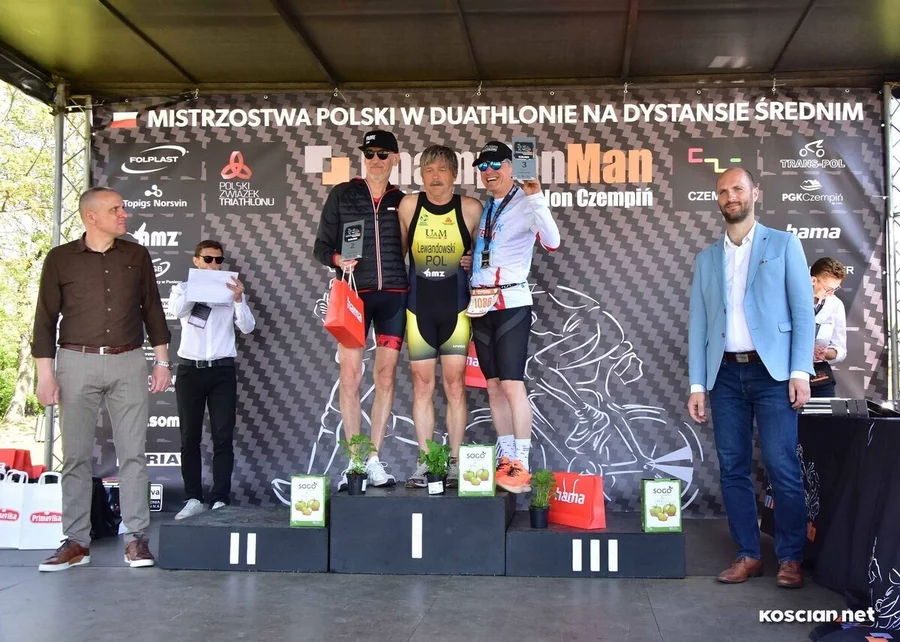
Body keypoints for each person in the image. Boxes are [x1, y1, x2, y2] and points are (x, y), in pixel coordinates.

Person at [32, 186, 172, 571]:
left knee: (133, 454)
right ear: (90, 216)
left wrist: (162, 361)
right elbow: (44, 319)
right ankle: (76, 541)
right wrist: (45, 374)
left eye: (123, 208)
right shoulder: (60, 259)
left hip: (129, 360)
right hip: (74, 361)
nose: (124, 214)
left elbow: (153, 309)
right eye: (115, 209)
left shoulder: (136, 255)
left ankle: (136, 539)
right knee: (75, 456)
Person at [687, 167, 814, 589]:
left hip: (773, 373)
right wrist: (697, 385)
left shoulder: (784, 244)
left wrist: (799, 371)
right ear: (717, 200)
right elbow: (699, 325)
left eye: (738, 188)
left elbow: (802, 313)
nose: (731, 196)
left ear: (755, 193)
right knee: (733, 468)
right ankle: (748, 555)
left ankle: (791, 558)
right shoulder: (707, 259)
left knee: (782, 466)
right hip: (724, 376)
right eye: (723, 191)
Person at [313, 130, 406, 491]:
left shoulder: (404, 200)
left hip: (394, 296)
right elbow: (321, 247)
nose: (375, 160)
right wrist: (338, 259)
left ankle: (374, 459)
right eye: (369, 153)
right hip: (354, 297)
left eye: (383, 153)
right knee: (350, 376)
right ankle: (354, 461)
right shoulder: (343, 194)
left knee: (385, 377)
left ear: (395, 158)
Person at [469, 141, 561, 493]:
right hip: (480, 303)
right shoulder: (487, 207)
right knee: (493, 385)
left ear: (511, 166)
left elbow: (552, 241)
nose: (488, 171)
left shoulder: (526, 200)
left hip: (511, 301)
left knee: (511, 384)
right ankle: (506, 458)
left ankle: (521, 462)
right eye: (482, 166)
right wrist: (471, 263)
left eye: (495, 164)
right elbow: (490, 250)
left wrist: (536, 195)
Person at [398, 145, 482, 488]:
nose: (435, 177)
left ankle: (456, 462)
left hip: (456, 310)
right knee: (422, 385)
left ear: (454, 175)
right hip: (419, 308)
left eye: (442, 170)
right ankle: (425, 462)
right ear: (421, 175)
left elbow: (486, 255)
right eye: (429, 170)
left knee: (455, 386)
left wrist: (473, 260)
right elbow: (396, 255)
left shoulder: (471, 208)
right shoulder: (408, 206)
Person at [168, 240, 256, 519]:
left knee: (223, 436)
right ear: (196, 260)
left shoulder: (230, 289)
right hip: (190, 370)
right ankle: (193, 497)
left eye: (219, 260)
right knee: (189, 437)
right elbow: (176, 311)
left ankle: (220, 498)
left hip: (221, 370)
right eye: (208, 259)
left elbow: (247, 327)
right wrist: (196, 289)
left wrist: (238, 299)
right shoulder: (182, 288)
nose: (214, 265)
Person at [809, 257, 847, 397]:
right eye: (828, 289)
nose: (831, 293)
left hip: (818, 370)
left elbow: (840, 349)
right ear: (813, 280)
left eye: (835, 289)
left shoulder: (835, 304)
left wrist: (825, 353)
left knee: (826, 408)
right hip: (787, 370)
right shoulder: (791, 298)